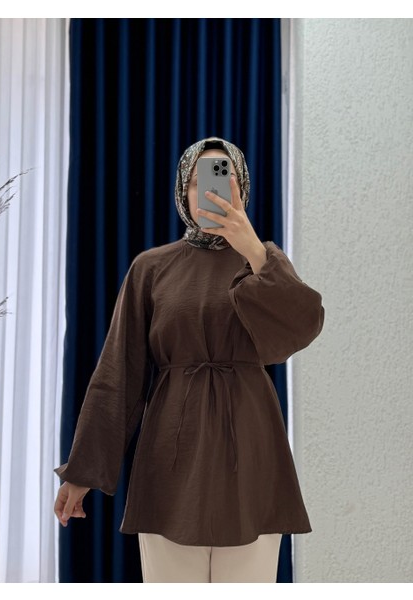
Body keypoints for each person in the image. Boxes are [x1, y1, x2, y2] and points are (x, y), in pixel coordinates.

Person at [54, 137, 325, 583]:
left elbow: (304, 325)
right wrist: (82, 471)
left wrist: (255, 250)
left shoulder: (264, 263)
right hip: (171, 456)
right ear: (184, 189)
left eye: (224, 178)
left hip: (252, 452)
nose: (211, 190)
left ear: (242, 189)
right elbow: (118, 375)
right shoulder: (151, 268)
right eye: (200, 180)